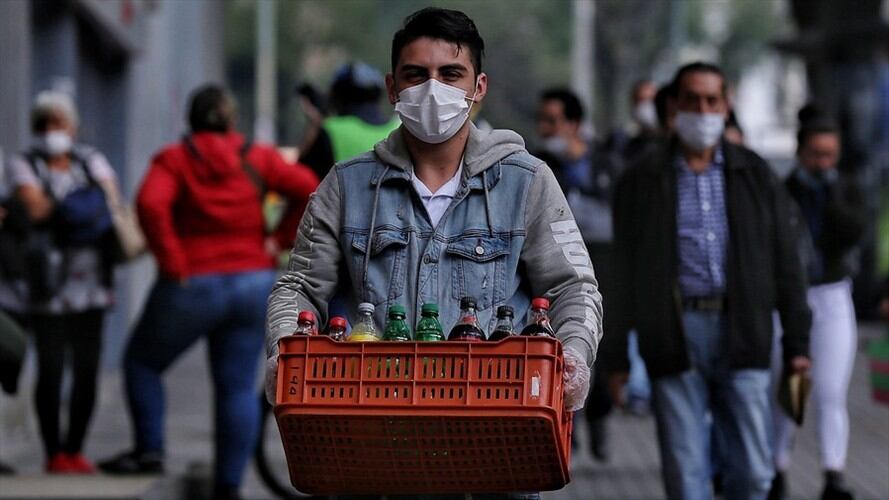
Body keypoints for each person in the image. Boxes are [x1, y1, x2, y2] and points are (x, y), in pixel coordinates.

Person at [266, 7, 602, 497]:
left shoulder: (526, 182)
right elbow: (299, 286)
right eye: (416, 74)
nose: (432, 88)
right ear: (392, 88)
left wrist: (574, 355)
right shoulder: (348, 186)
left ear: (478, 88)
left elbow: (573, 286)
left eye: (450, 74)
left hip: (495, 443)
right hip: (379, 439)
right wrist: (283, 350)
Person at [99, 85, 318, 500]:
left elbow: (149, 204)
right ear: (233, 119)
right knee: (236, 387)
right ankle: (229, 485)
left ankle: (149, 450)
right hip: (252, 281)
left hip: (192, 283)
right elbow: (310, 189)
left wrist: (172, 261)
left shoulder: (176, 159)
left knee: (142, 364)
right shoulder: (257, 156)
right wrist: (278, 239)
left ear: (191, 119)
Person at [604, 62, 812, 500]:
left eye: (712, 101)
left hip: (745, 330)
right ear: (674, 107)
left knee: (755, 473)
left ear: (727, 104)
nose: (703, 110)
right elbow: (621, 273)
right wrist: (617, 357)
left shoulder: (755, 175)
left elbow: (787, 263)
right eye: (692, 100)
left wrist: (797, 344)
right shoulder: (642, 179)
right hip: (674, 333)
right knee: (686, 475)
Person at [0, 91, 126, 473]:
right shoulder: (22, 164)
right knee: (52, 370)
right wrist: (81, 208)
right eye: (44, 124)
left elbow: (110, 200)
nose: (52, 131)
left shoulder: (91, 159)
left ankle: (75, 449)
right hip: (46, 287)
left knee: (87, 369)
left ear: (72, 126)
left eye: (59, 122)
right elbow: (34, 207)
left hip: (92, 285)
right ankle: (53, 452)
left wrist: (59, 208)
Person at [769, 110, 865, 500]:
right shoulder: (782, 191)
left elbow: (855, 232)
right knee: (788, 389)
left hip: (833, 295)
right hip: (790, 298)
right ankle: (777, 469)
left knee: (828, 391)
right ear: (800, 152)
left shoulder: (847, 190)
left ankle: (833, 473)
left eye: (830, 155)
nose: (822, 163)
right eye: (815, 154)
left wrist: (829, 195)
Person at [535, 88, 615, 460]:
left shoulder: (604, 165)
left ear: (574, 124)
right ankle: (569, 427)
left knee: (598, 353)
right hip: (554, 276)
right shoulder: (537, 168)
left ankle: (598, 419)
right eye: (543, 120)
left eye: (553, 120)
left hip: (604, 270)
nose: (545, 128)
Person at [298, 61, 400, 179]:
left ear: (336, 96)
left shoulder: (330, 130)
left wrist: (314, 124)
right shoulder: (399, 129)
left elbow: (301, 180)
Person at [623, 79, 661, 164]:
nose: (646, 106)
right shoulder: (623, 141)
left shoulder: (669, 141)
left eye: (651, 100)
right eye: (641, 100)